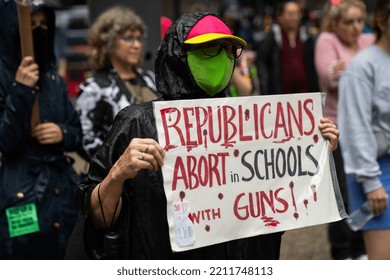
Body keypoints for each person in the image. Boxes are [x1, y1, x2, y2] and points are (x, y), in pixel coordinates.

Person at [65, 12, 340, 260]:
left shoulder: (252, 123)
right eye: (209, 49)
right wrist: (118, 173)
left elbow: (278, 195)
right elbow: (98, 219)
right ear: (178, 55)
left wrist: (313, 148)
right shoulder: (138, 123)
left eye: (228, 50)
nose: (221, 57)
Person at [0, 0, 82, 259]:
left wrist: (63, 133)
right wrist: (21, 89)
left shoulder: (54, 79)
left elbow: (78, 133)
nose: (39, 30)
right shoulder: (3, 78)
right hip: (21, 194)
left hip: (62, 193)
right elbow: (7, 141)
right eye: (31, 24)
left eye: (44, 24)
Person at [315, 0, 374, 260]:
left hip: (364, 129)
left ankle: (361, 248)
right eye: (349, 22)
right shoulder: (327, 40)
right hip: (336, 130)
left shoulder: (366, 40)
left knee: (365, 188)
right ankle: (342, 253)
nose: (356, 27)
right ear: (336, 23)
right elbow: (330, 77)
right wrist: (361, 70)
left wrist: (349, 68)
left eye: (359, 20)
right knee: (341, 194)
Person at [338, 0, 390, 260]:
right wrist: (371, 182)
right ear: (381, 19)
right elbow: (354, 129)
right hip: (375, 171)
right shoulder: (361, 67)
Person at [75, 6, 159, 161]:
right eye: (128, 38)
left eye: (139, 38)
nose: (136, 45)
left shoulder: (150, 79)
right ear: (108, 42)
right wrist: (121, 161)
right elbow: (85, 142)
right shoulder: (94, 88)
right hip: (118, 177)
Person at [257, 0, 319, 95]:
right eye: (290, 14)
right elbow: (263, 65)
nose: (294, 17)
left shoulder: (307, 36)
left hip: (306, 93)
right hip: (280, 95)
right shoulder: (273, 37)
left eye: (297, 14)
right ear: (280, 17)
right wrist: (265, 92)